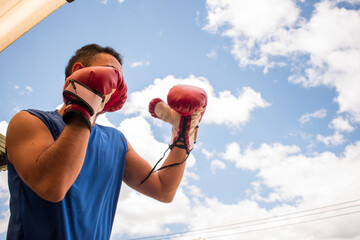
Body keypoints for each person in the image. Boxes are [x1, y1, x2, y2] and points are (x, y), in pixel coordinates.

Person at [5, 44, 207, 239]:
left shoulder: (116, 142)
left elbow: (164, 190)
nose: (116, 85)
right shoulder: (31, 122)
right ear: (80, 71)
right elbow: (52, 186)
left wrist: (183, 134)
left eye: (120, 80)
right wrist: (84, 103)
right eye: (112, 74)